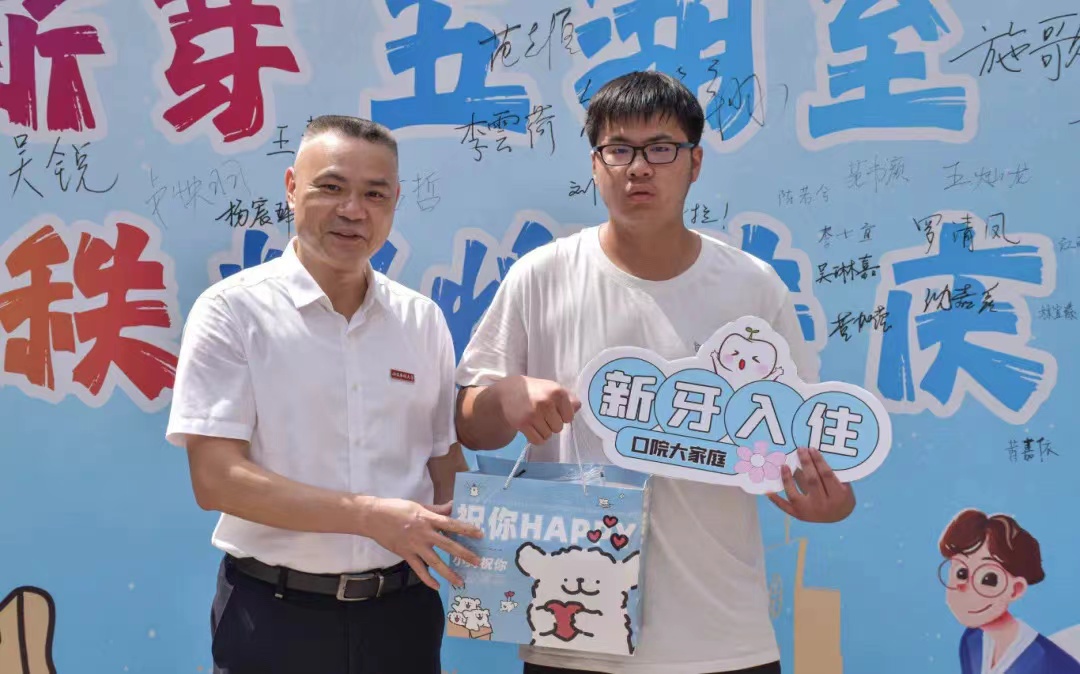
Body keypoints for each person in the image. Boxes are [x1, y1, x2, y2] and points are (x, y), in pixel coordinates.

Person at [453, 71, 856, 674]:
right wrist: (505, 397)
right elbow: (470, 424)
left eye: (661, 149)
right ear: (595, 165)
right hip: (573, 633)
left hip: (723, 639)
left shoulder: (752, 286)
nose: (639, 168)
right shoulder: (541, 275)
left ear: (695, 162)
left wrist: (829, 501)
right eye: (618, 149)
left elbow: (802, 447)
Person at [165, 114, 483, 674]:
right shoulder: (232, 311)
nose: (353, 210)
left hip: (403, 616)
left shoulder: (421, 319)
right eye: (331, 187)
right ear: (292, 187)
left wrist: (514, 544)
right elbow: (216, 479)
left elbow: (443, 461)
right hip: (273, 615)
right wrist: (368, 516)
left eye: (374, 194)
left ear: (395, 202)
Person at [939, 509, 1080, 673]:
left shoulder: (1048, 662)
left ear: (1016, 589)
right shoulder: (972, 640)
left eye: (988, 579)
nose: (965, 588)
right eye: (961, 573)